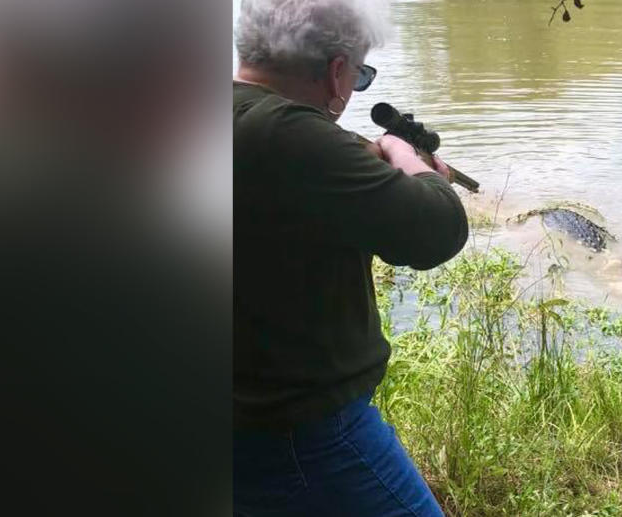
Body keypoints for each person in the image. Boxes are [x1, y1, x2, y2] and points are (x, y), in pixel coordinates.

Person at [232, 1, 468, 515]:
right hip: (305, 431)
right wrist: (410, 161)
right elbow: (436, 231)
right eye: (359, 74)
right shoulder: (289, 133)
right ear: (337, 72)